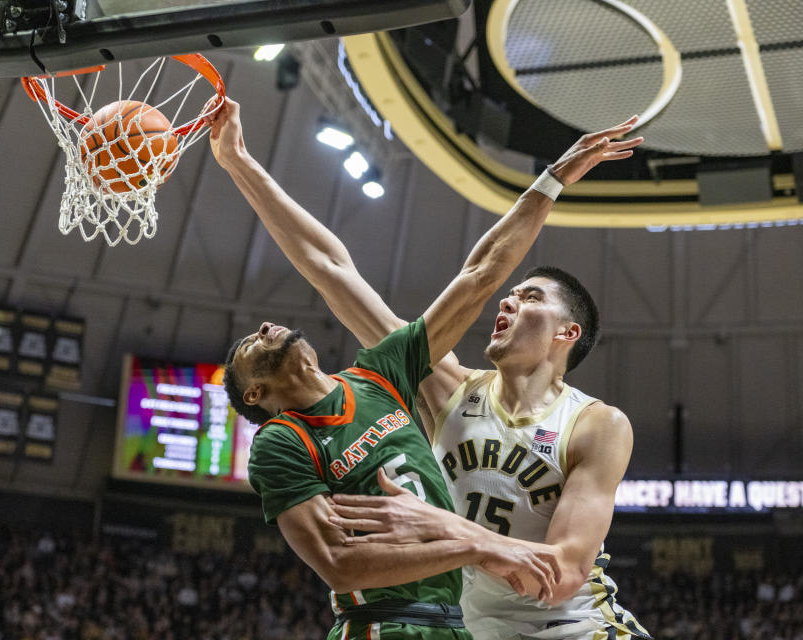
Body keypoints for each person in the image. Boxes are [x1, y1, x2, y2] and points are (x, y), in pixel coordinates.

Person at [207, 94, 648, 638]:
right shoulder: (441, 387)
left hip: (575, 628)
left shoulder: (598, 424)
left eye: (529, 297)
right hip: (464, 630)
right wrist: (239, 163)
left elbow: (557, 577)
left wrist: (551, 180)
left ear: (567, 333)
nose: (506, 302)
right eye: (508, 296)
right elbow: (330, 271)